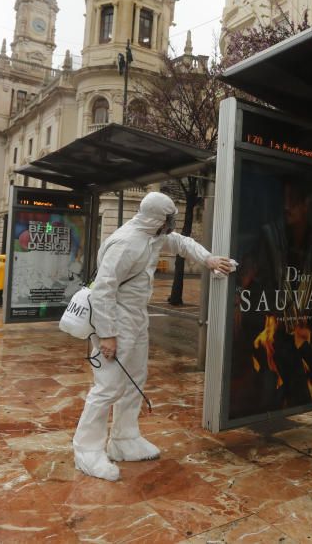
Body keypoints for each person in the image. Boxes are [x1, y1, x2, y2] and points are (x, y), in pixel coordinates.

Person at [73, 192, 234, 481]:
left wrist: (208, 259)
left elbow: (182, 242)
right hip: (114, 319)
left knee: (135, 378)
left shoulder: (154, 234)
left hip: (136, 317)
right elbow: (103, 290)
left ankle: (124, 438)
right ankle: (86, 449)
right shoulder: (125, 242)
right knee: (108, 386)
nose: (170, 225)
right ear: (156, 218)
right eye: (168, 219)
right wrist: (108, 334)